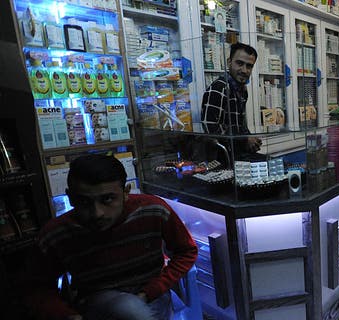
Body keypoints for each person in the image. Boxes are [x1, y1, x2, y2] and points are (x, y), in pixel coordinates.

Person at [21, 154, 198, 320]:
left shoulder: (153, 210)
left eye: (107, 199)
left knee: (131, 307)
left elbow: (186, 251)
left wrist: (151, 291)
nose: (97, 213)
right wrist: (67, 315)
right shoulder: (56, 234)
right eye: (84, 202)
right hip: (98, 305)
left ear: (126, 192)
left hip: (153, 299)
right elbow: (37, 288)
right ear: (70, 198)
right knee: (128, 307)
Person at [201, 42, 262, 159]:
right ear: (229, 62)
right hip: (221, 158)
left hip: (237, 155)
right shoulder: (219, 88)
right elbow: (210, 128)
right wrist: (245, 139)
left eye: (249, 66)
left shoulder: (242, 90)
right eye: (239, 63)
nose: (244, 70)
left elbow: (240, 125)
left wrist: (251, 140)